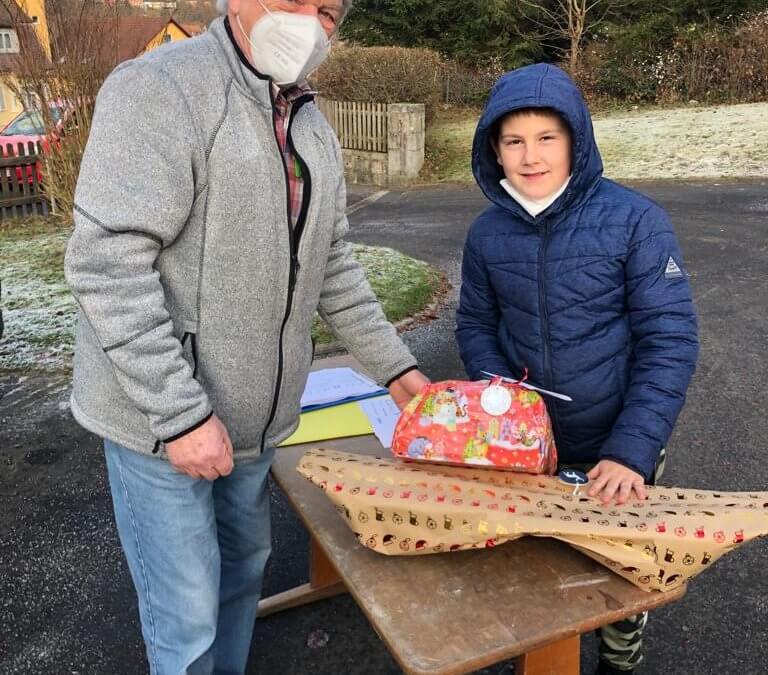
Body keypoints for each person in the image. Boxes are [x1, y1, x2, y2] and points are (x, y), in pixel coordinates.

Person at [64, 0, 429, 672]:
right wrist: (180, 417)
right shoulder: (161, 89)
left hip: (255, 424)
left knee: (240, 579)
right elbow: (106, 263)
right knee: (187, 618)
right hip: (160, 425)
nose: (309, 21)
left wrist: (399, 371)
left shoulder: (310, 123)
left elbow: (332, 263)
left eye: (326, 10)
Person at [455, 63, 698, 674]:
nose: (530, 156)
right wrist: (498, 394)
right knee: (535, 574)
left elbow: (668, 341)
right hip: (526, 448)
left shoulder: (637, 221)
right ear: (494, 148)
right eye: (513, 140)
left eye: (546, 138)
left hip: (616, 446)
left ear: (576, 141)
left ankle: (619, 659)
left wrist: (631, 451)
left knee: (620, 574)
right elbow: (475, 325)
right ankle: (542, 657)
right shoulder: (486, 234)